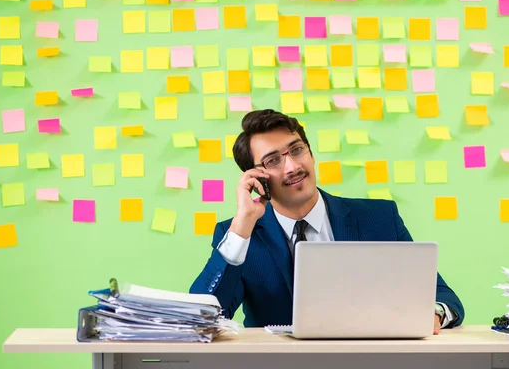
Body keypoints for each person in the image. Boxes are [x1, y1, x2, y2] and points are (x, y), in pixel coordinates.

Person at [190, 109, 465, 333]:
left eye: (297, 150)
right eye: (273, 160)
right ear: (256, 177)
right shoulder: (239, 233)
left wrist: (436, 313)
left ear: (311, 153)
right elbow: (202, 318)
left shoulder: (379, 218)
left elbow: (443, 296)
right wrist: (242, 225)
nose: (293, 166)